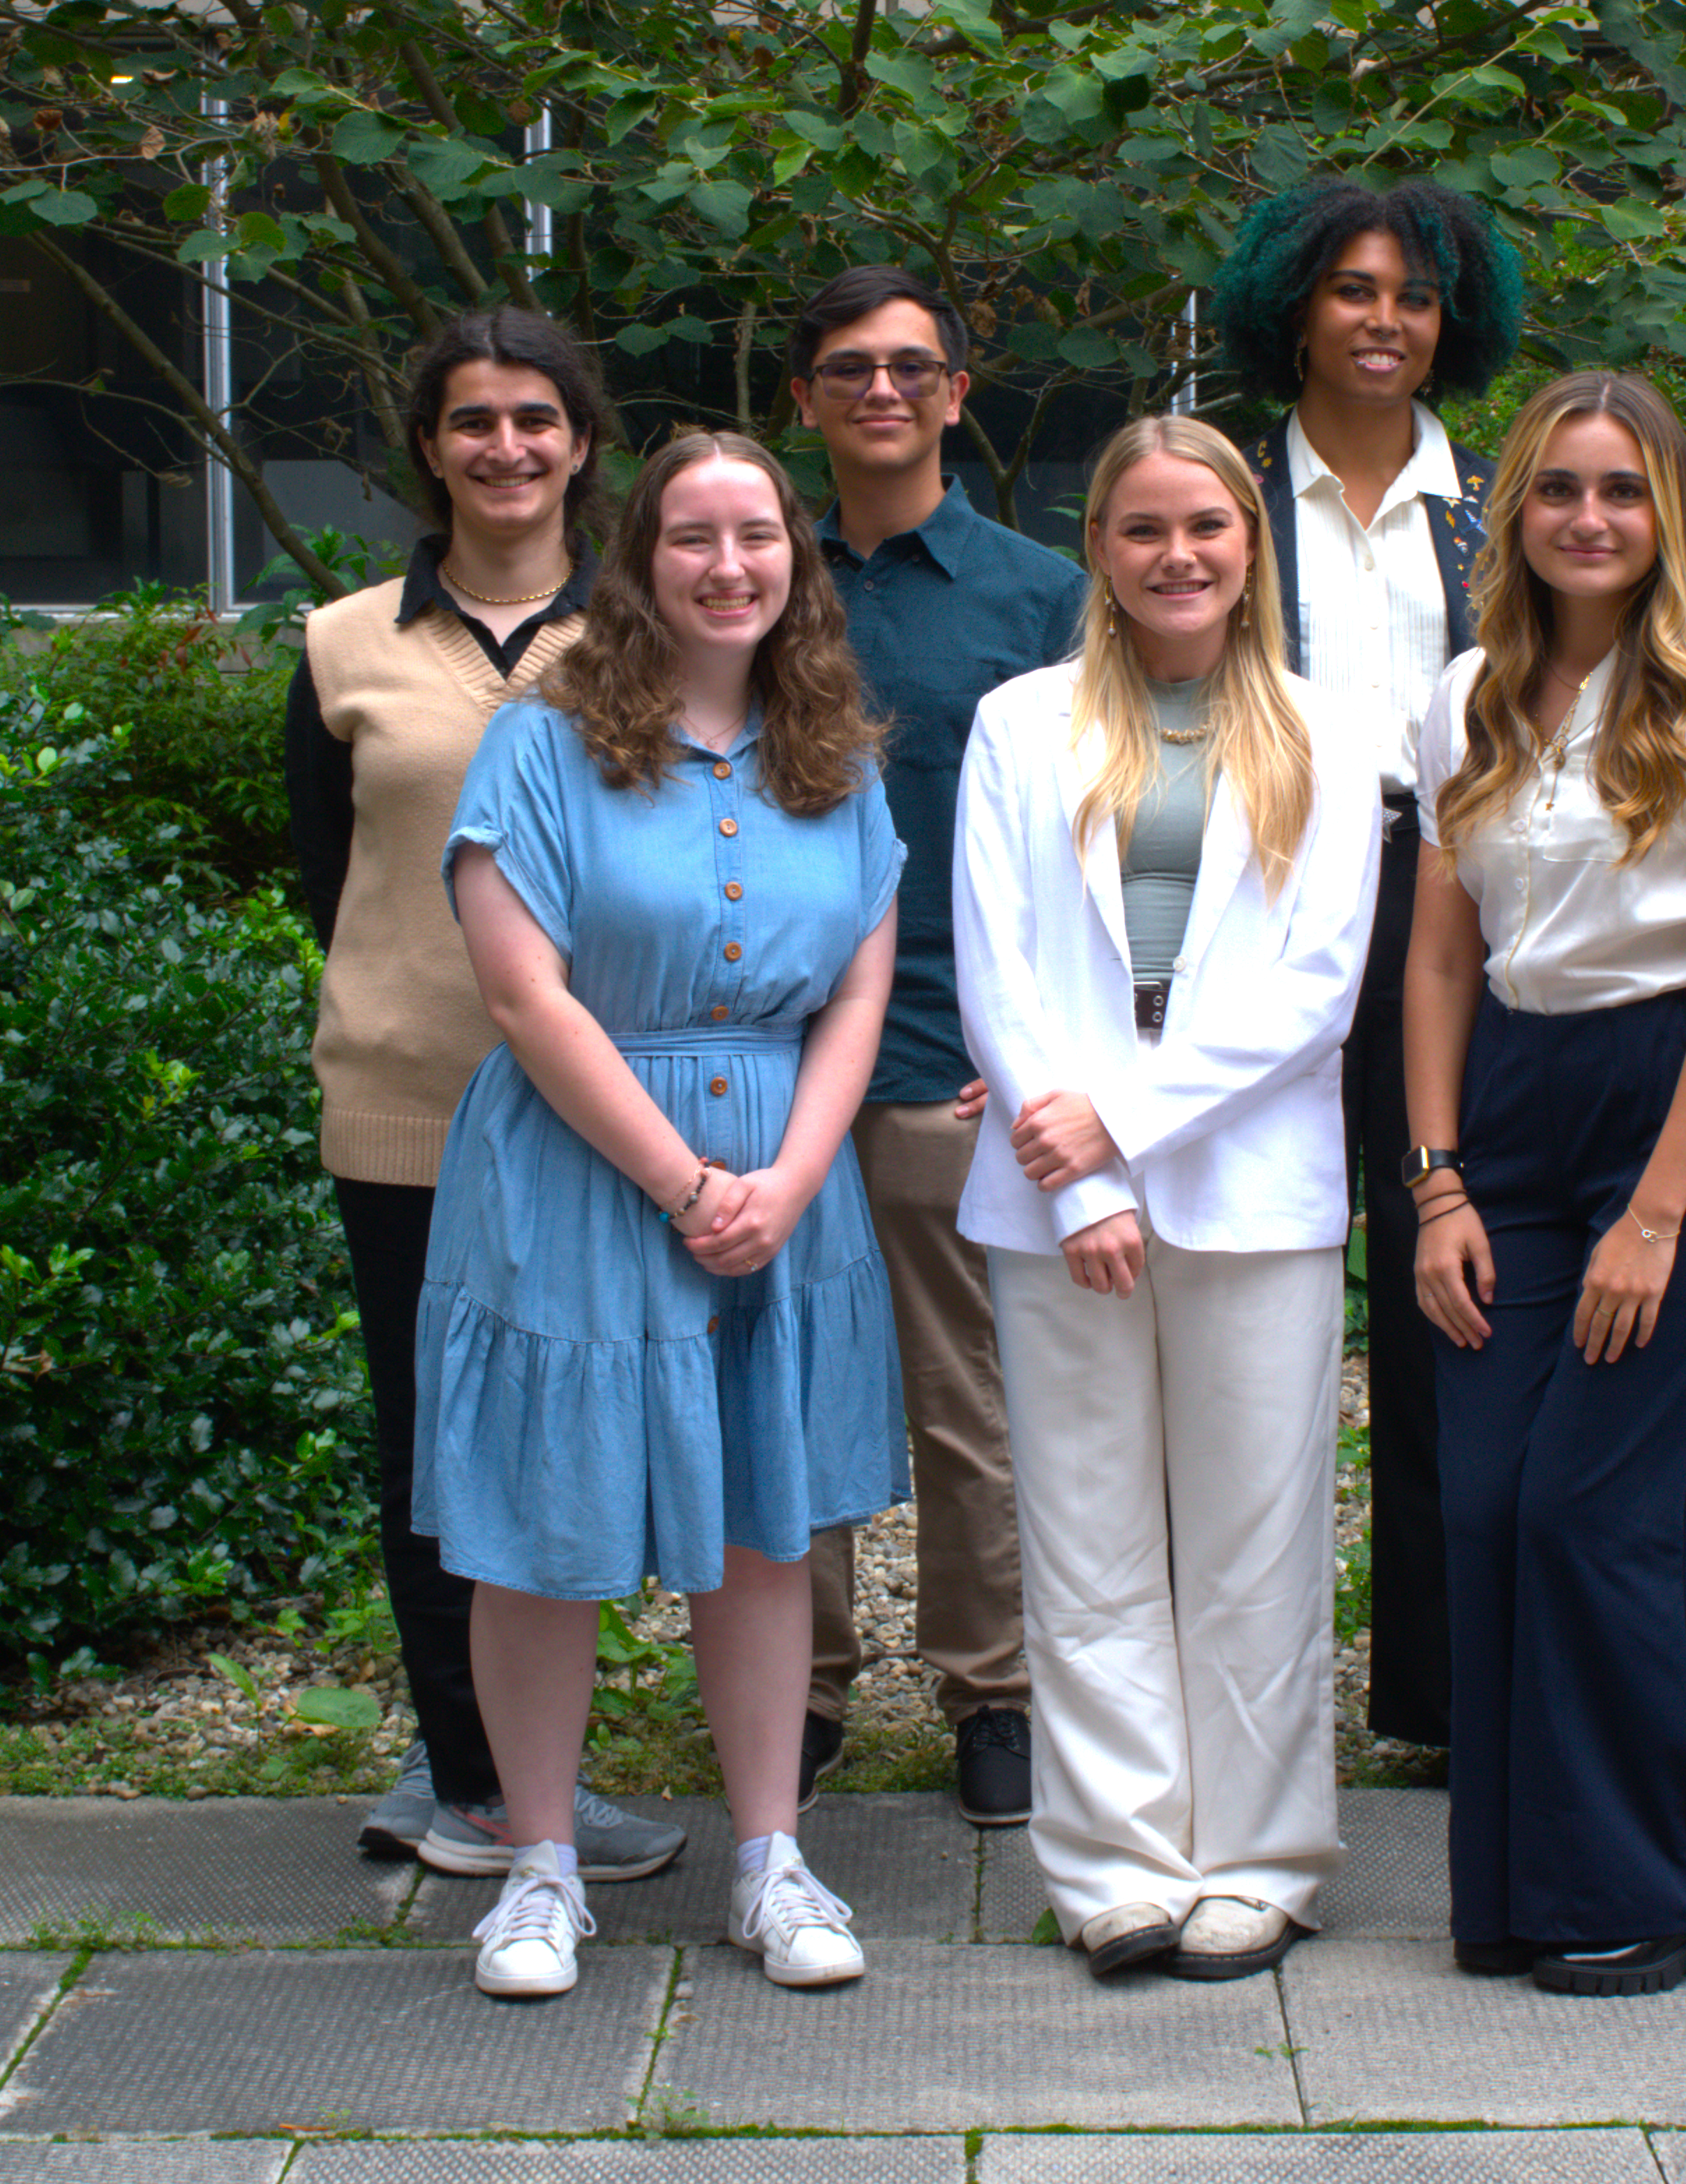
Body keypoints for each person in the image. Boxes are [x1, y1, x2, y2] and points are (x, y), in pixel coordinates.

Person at [415, 432, 909, 1999]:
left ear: (795, 558)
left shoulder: (834, 743)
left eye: (757, 533)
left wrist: (792, 1176)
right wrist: (689, 1181)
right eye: (691, 535)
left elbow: (862, 985)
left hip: (784, 1179)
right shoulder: (546, 739)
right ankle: (540, 1865)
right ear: (638, 559)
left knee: (767, 1523)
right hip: (580, 1171)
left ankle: (770, 1856)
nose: (727, 564)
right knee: (545, 1530)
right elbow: (521, 989)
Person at [951, 417, 1380, 1982]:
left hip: (1254, 1195)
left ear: (1251, 542)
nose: (1176, 554)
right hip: (1056, 1205)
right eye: (1141, 528)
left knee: (1256, 1542)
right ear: (1099, 551)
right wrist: (1082, 1186)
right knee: (1085, 1536)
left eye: (1205, 524)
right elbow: (996, 962)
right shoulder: (1020, 723)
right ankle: (1115, 1859)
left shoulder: (1331, 734)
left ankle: (1261, 1855)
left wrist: (1117, 1127)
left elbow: (1314, 988)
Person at [1405, 371, 1686, 1997]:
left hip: (1671, 1106)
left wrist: (1659, 1211)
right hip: (1508, 1110)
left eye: (1621, 491)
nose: (1587, 518)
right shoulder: (1465, 695)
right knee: (1491, 1501)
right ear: (1517, 511)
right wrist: (1434, 1183)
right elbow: (1436, 961)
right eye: (1558, 488)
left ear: (1667, 518)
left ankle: (1681, 1882)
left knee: (1607, 1507)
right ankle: (1520, 1887)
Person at [285, 305, 685, 1887]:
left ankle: (526, 1763)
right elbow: (340, 877)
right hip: (408, 1107)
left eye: (536, 418)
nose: (504, 447)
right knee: (432, 1451)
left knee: (569, 1443)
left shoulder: (651, 631)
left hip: (601, 1112)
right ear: (429, 447)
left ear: (584, 444)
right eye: (472, 420)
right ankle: (476, 1783)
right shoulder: (340, 643)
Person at [1212, 179, 1523, 1753]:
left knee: (1443, 1288)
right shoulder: (1229, 494)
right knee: (1256, 1272)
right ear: (1294, 308)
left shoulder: (1505, 497)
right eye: (1351, 289)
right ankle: (1239, 1692)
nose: (1384, 320)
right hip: (1262, 897)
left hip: (1457, 901)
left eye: (1411, 294)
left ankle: (1441, 1685)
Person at [784, 267, 1088, 1827]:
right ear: (806, 401)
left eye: (912, 368)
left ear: (959, 393)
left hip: (945, 1062)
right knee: (788, 1389)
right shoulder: (758, 574)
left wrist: (1035, 1043)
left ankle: (993, 1691)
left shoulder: (1038, 594)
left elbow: (1083, 835)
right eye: (850, 370)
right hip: (764, 1072)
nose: (882, 392)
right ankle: (802, 1688)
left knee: (972, 1404)